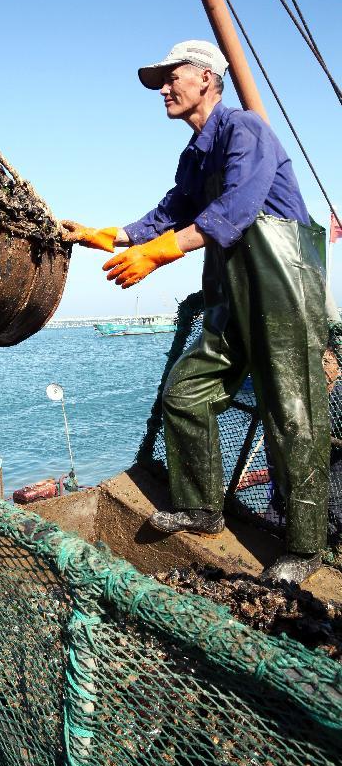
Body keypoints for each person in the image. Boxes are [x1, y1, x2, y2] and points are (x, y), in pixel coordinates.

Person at [62, 39, 330, 585]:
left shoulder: (245, 130)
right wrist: (104, 236)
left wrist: (158, 255)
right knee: (186, 392)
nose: (163, 87)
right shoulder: (195, 154)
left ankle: (305, 549)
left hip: (285, 290)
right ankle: (202, 508)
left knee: (292, 412)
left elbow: (234, 211)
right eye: (160, 79)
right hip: (232, 293)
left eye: (172, 76)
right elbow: (168, 213)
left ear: (207, 78)